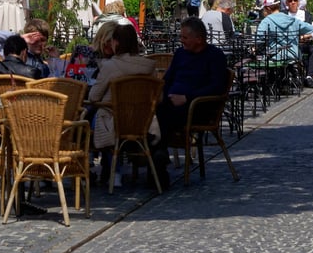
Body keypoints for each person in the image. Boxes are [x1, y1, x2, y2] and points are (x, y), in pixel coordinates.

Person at [86, 24, 158, 182]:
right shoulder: (149, 67)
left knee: (91, 119)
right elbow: (158, 96)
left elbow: (93, 97)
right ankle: (113, 172)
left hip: (115, 121)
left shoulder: (110, 66)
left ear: (116, 43)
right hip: (143, 122)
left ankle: (102, 169)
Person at [157, 17, 230, 143]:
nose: (181, 41)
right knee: (145, 110)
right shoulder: (180, 53)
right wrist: (162, 94)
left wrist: (187, 97)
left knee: (159, 116)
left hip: (198, 106)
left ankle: (155, 151)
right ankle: (153, 151)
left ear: (199, 39)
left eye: (185, 38)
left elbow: (217, 86)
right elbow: (168, 79)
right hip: (171, 102)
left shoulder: (214, 56)